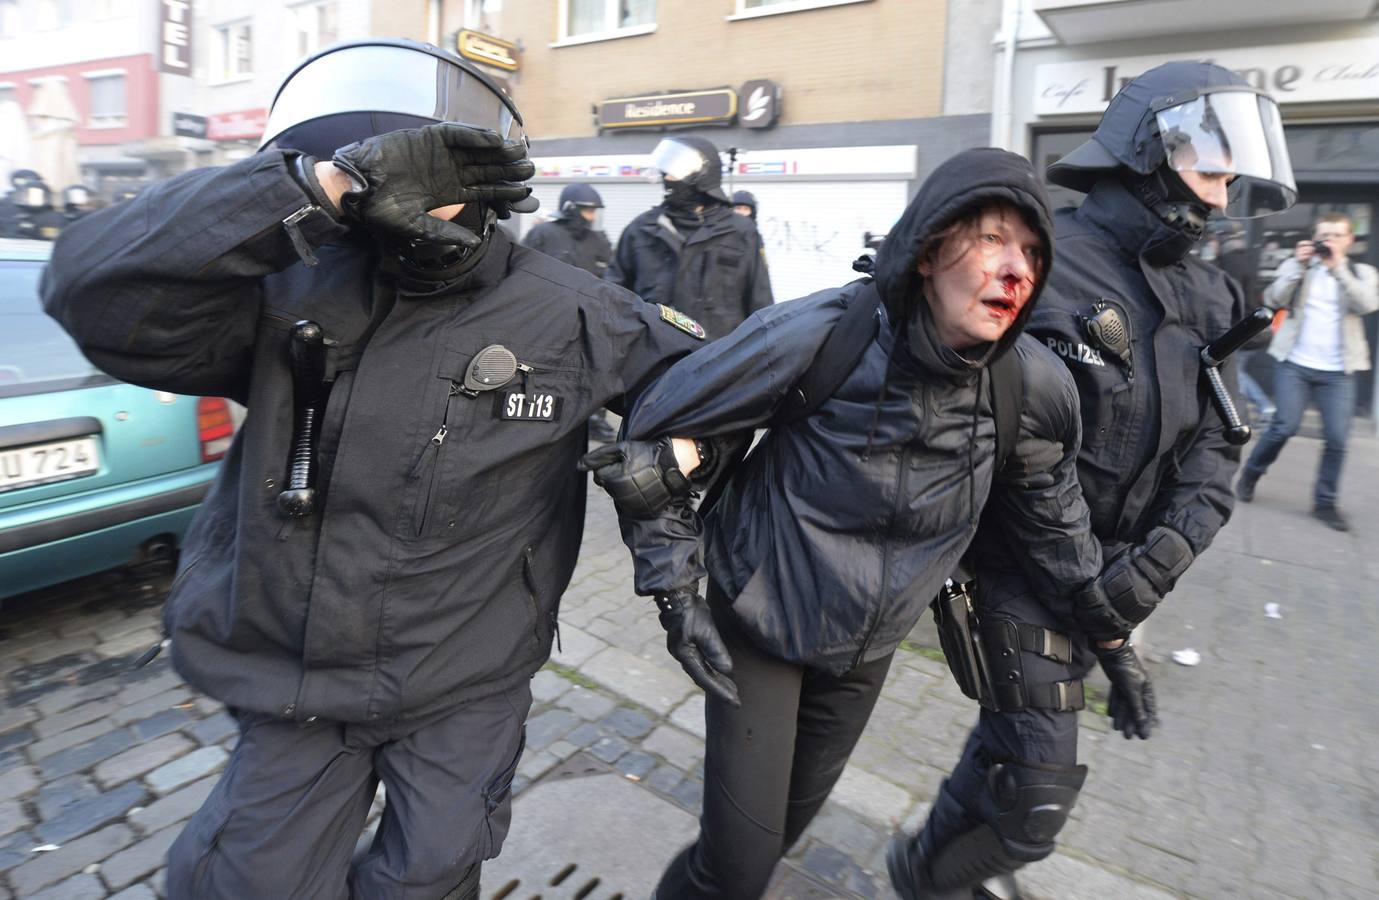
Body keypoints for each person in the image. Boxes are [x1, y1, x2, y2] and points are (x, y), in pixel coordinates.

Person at [42, 38, 705, 900]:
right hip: (297, 675)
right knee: (241, 882)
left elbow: (719, 391)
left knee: (429, 873)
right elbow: (93, 289)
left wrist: (681, 465)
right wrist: (313, 189)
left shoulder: (571, 308)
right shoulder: (285, 289)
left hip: (469, 672)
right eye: (400, 169)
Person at [583, 147, 1116, 899]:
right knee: (734, 871)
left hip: (865, 650)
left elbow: (1054, 518)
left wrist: (1107, 626)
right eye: (992, 239)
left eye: (1032, 251)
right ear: (931, 248)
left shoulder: (1028, 382)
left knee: (775, 844)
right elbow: (647, 453)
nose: (1015, 269)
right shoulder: (817, 334)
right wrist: (675, 592)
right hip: (760, 623)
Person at [889, 62, 1299, 899]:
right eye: (1211, 171)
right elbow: (977, 423)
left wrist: (1155, 562)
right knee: (1036, 803)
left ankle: (934, 856)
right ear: (1150, 150)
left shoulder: (1211, 293)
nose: (1222, 197)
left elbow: (1219, 445)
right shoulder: (1043, 261)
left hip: (1114, 580)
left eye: (1231, 176)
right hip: (1014, 568)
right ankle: (926, 880)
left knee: (1007, 747)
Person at [1236, 212, 1378, 531]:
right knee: (1283, 426)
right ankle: (1251, 473)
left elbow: (1367, 303)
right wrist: (1298, 267)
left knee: (1338, 439)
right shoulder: (1298, 266)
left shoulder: (1361, 271)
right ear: (1314, 237)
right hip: (1296, 364)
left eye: (1336, 235)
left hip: (1338, 371)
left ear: (1349, 240)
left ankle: (1325, 502)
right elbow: (1273, 299)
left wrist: (1338, 268)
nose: (1329, 241)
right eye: (1324, 235)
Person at [607, 135, 773, 338]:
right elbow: (613, 297)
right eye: (666, 172)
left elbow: (761, 303)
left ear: (701, 175)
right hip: (654, 358)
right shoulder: (641, 230)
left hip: (717, 359)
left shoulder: (741, 232)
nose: (666, 178)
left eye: (674, 173)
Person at [523, 183, 620, 441]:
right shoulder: (543, 234)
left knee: (593, 372)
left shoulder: (599, 240)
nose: (592, 217)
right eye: (588, 211)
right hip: (548, 319)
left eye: (594, 212)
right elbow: (521, 274)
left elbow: (612, 277)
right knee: (547, 373)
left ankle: (594, 421)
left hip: (590, 321)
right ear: (572, 209)